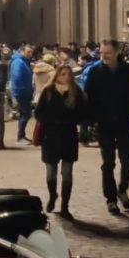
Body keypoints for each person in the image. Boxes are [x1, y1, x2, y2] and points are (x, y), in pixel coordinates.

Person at [85, 39, 129, 216]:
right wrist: (91, 120)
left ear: (117, 52)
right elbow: (89, 97)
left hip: (124, 121)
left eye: (108, 53)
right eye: (102, 53)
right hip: (104, 123)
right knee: (108, 163)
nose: (104, 56)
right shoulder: (95, 72)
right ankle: (110, 199)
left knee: (128, 159)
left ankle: (122, 189)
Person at [34, 65, 87, 220]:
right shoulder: (48, 91)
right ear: (57, 75)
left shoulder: (76, 92)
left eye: (69, 74)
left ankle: (65, 206)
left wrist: (71, 120)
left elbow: (83, 113)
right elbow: (39, 112)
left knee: (67, 172)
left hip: (69, 136)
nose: (66, 77)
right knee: (51, 171)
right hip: (50, 137)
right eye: (63, 74)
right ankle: (52, 196)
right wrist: (51, 121)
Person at [10, 44, 34, 145]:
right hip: (22, 91)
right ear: (22, 51)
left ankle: (22, 136)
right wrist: (22, 90)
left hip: (24, 91)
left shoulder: (23, 61)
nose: (30, 54)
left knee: (24, 114)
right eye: (28, 52)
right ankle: (20, 137)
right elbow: (17, 77)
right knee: (26, 113)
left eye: (31, 52)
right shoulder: (18, 62)